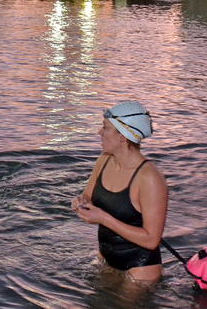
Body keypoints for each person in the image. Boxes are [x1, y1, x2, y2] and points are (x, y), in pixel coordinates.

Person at [71, 101, 167, 281]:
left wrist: (103, 219)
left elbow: (151, 239)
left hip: (139, 268)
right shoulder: (104, 159)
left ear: (122, 136)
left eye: (105, 127)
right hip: (106, 259)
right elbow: (88, 196)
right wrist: (81, 201)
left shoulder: (150, 177)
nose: (99, 132)